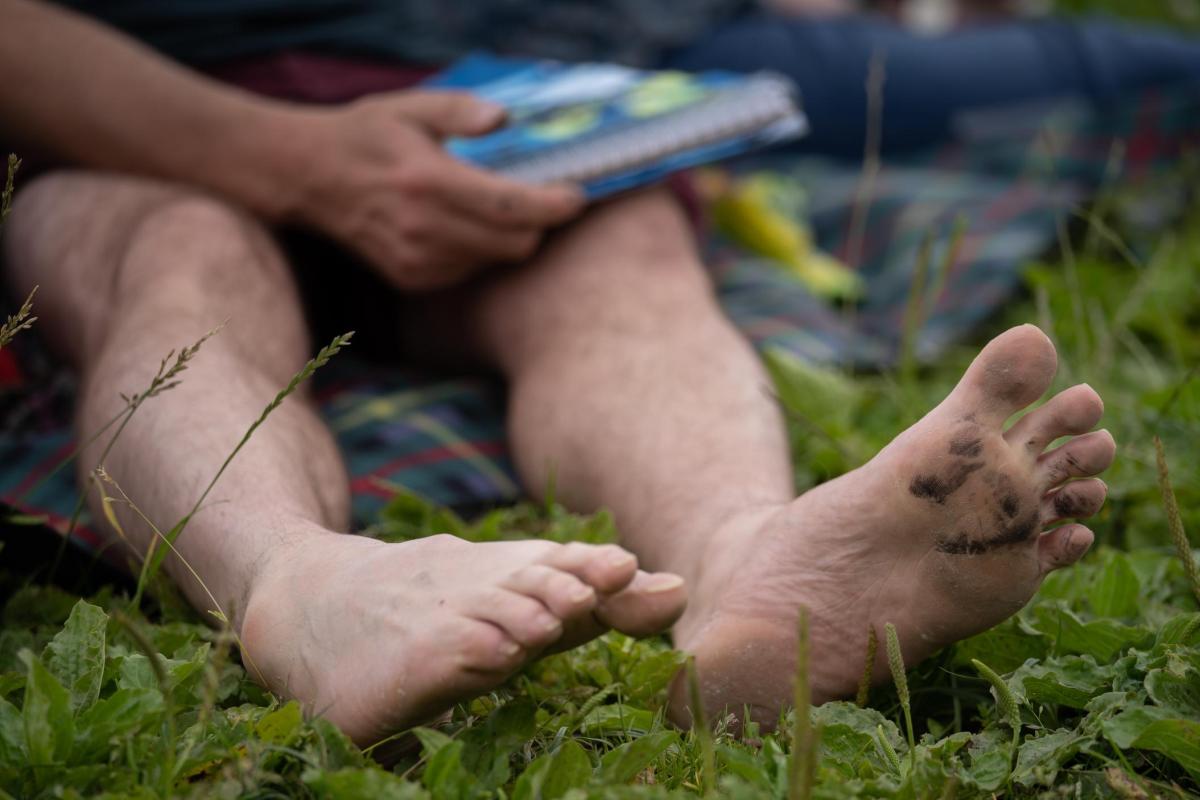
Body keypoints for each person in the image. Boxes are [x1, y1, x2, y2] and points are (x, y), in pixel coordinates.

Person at [15, 0, 1200, 745]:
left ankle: (742, 564)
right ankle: (296, 581)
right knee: (176, 256)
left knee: (621, 265)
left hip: (497, 88)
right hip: (147, 106)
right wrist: (294, 162)